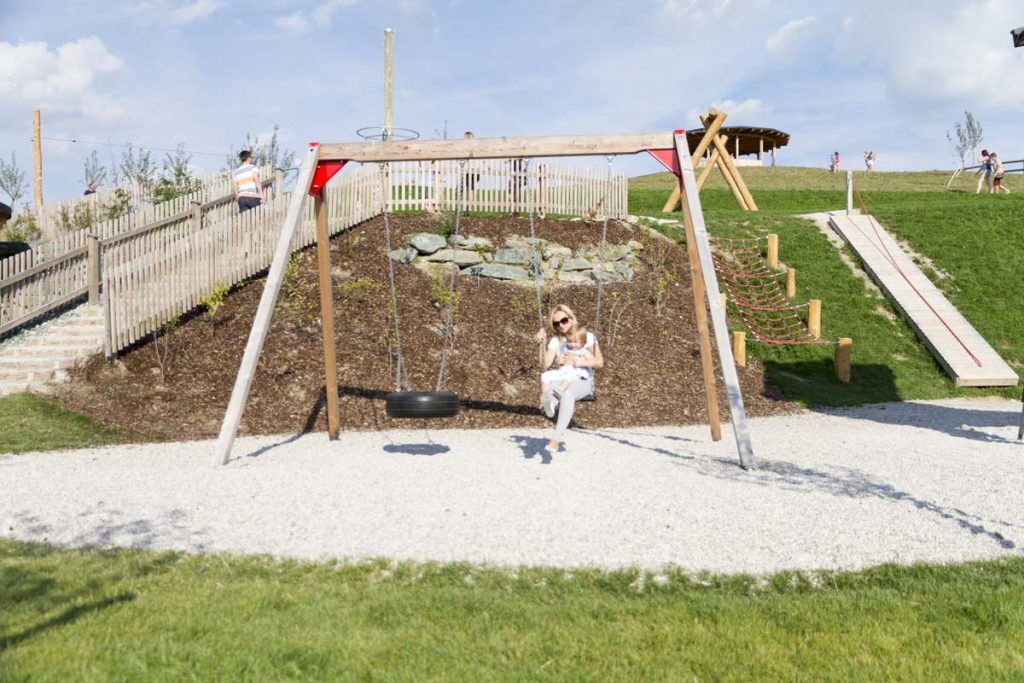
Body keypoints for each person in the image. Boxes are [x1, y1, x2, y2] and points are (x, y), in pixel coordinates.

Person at [534, 304, 604, 452]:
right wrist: (542, 343)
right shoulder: (556, 341)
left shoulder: (586, 337)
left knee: (566, 391)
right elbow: (545, 365)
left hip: (583, 381)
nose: (560, 325)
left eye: (563, 320)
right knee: (553, 383)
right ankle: (549, 405)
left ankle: (556, 439)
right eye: (556, 323)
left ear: (571, 319)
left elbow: (599, 363)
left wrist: (575, 361)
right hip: (564, 378)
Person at [540, 325, 594, 401]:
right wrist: (559, 361)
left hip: (577, 375)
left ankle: (560, 390)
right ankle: (545, 398)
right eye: (569, 341)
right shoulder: (565, 347)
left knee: (569, 376)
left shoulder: (584, 351)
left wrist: (579, 362)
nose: (572, 344)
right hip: (563, 372)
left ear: (583, 342)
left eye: (575, 342)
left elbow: (593, 362)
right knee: (545, 376)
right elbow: (557, 361)